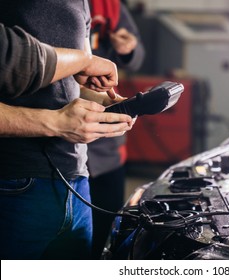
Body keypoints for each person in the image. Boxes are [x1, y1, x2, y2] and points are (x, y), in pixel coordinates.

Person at [0, 0, 134, 260]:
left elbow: (72, 81)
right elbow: (13, 60)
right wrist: (56, 122)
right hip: (13, 181)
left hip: (76, 181)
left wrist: (103, 102)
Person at [87, 0, 145, 259]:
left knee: (106, 230)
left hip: (106, 150)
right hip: (58, 145)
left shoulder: (111, 6)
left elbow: (138, 55)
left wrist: (129, 48)